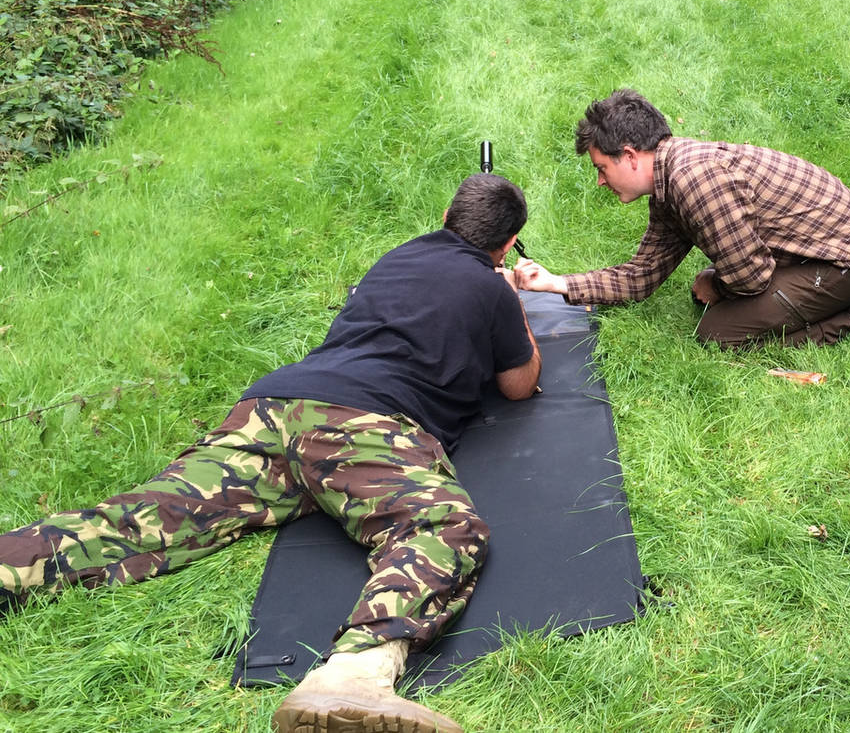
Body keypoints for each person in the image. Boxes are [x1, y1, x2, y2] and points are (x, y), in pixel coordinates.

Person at [0, 174, 541, 733]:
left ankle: (10, 563)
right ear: (506, 243)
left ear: (449, 213)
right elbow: (519, 382)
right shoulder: (493, 287)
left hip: (272, 406)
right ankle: (354, 677)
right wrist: (515, 304)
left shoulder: (397, 257)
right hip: (360, 423)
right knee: (445, 525)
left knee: (153, 513)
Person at [515, 88, 850, 348]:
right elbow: (641, 277)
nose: (601, 182)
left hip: (847, 260)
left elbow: (750, 279)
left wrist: (720, 285)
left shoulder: (693, 178)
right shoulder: (668, 182)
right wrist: (554, 283)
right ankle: (835, 292)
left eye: (602, 168)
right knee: (704, 293)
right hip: (817, 251)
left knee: (718, 333)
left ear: (629, 155)